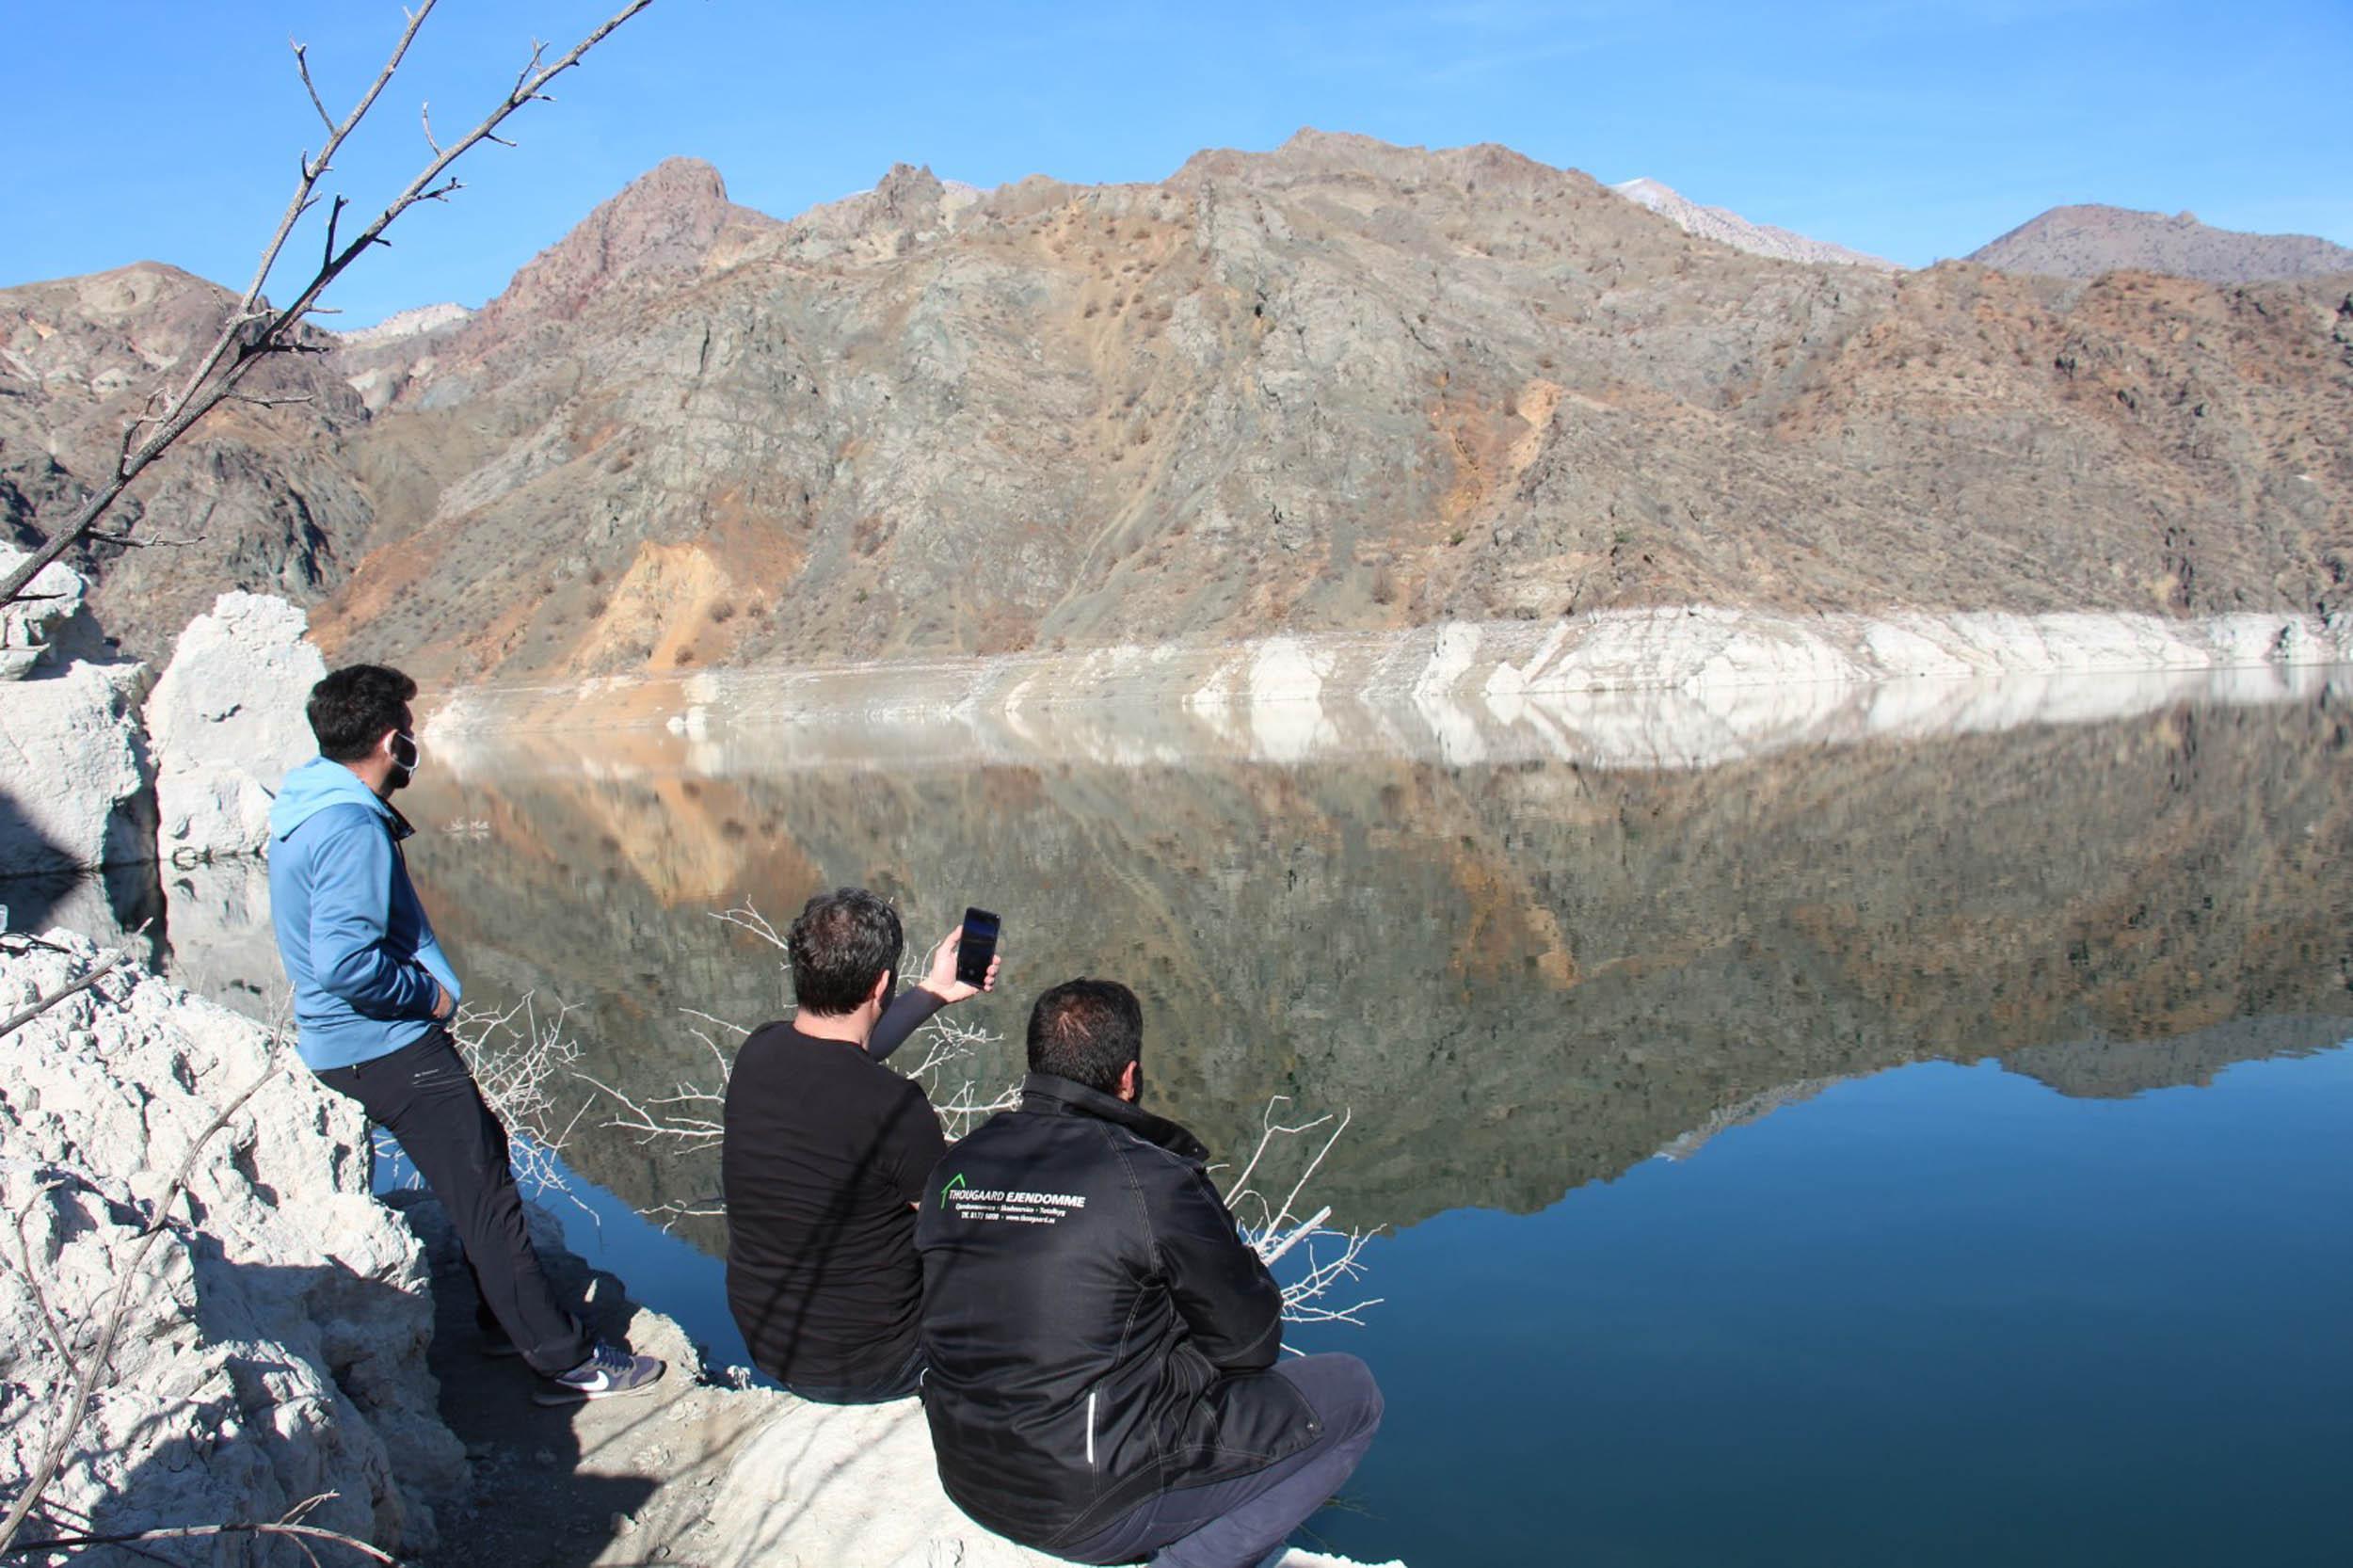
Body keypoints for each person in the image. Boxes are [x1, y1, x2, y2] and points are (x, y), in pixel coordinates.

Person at [268, 664, 663, 1405]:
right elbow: (346, 962)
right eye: (409, 735)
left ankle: (499, 1319)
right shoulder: (351, 826)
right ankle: (564, 1361)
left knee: (482, 1157)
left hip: (344, 1043)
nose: (414, 745)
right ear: (391, 741)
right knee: (486, 1198)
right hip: (384, 1045)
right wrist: (429, 997)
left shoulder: (308, 804)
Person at [915, 980, 1383, 1568]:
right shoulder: (1149, 1179)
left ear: (1036, 1062)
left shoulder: (957, 1166)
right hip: (1083, 1505)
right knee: (1354, 1393)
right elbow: (1252, 1343)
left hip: (967, 1476)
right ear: (1129, 1077)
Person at [722, 887, 999, 1402]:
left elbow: (847, 1052)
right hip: (874, 1362)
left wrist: (934, 992)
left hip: (767, 1341)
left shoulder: (759, 1053)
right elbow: (955, 1228)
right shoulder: (894, 1106)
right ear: (881, 984)